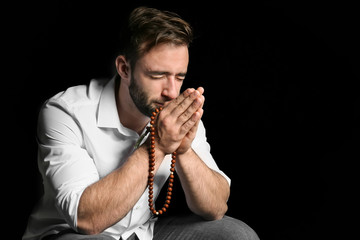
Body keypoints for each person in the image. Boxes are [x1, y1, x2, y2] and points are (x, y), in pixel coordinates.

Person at [23, 6, 259, 240]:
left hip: (143, 232)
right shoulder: (65, 111)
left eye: (180, 77)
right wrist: (157, 145)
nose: (172, 91)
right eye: (157, 76)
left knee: (237, 234)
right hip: (72, 233)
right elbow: (86, 220)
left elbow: (216, 207)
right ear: (124, 69)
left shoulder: (174, 110)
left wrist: (183, 150)